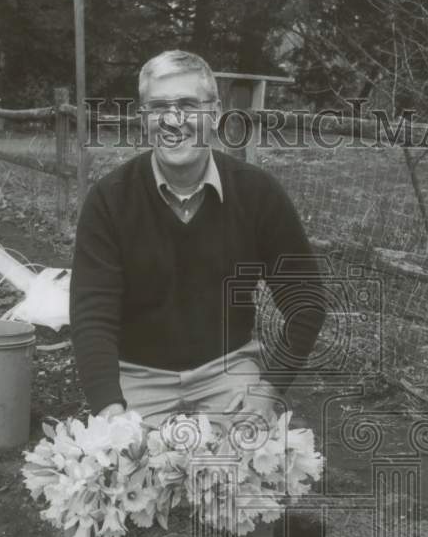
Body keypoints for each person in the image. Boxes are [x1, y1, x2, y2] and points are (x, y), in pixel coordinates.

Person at [70, 49, 327, 429]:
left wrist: (267, 390)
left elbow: (306, 303)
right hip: (138, 377)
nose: (174, 121)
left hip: (226, 372)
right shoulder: (110, 199)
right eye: (158, 108)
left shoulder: (258, 194)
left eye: (188, 105)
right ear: (144, 120)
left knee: (255, 474)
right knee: (127, 478)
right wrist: (110, 409)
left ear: (215, 113)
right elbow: (91, 315)